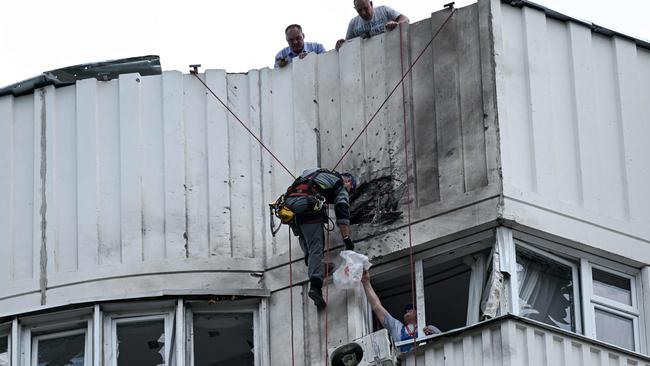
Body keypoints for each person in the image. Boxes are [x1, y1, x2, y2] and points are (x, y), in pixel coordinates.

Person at [283, 168, 357, 310]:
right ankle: (316, 288)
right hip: (308, 208)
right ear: (348, 181)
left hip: (291, 208)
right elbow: (342, 211)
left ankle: (318, 268)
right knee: (316, 246)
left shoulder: (315, 174)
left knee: (308, 244)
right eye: (351, 189)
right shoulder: (340, 185)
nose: (349, 193)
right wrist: (346, 238)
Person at [361, 270, 441, 352]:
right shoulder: (397, 328)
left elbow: (444, 342)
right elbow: (377, 307)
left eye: (411, 309)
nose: (407, 311)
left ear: (419, 312)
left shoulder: (428, 329)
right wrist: (366, 281)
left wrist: (432, 334)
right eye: (406, 311)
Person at [336, 0, 409, 50]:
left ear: (371, 4)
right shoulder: (353, 23)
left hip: (389, 49)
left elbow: (405, 19)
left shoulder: (384, 10)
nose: (363, 13)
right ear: (355, 9)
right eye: (359, 11)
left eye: (365, 8)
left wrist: (397, 24)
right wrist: (341, 44)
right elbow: (348, 45)